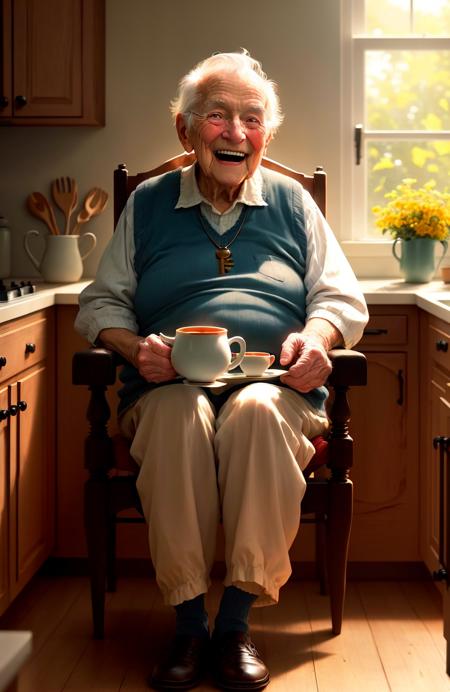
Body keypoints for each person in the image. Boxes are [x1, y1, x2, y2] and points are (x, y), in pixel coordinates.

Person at [75, 49, 368, 692]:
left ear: (267, 133)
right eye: (217, 115)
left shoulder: (293, 202)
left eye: (252, 118)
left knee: (258, 412)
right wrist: (134, 350)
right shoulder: (149, 204)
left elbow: (342, 299)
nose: (236, 133)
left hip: (277, 391)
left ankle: (234, 624)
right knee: (181, 414)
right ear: (185, 131)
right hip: (167, 389)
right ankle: (187, 625)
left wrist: (317, 340)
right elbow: (99, 303)